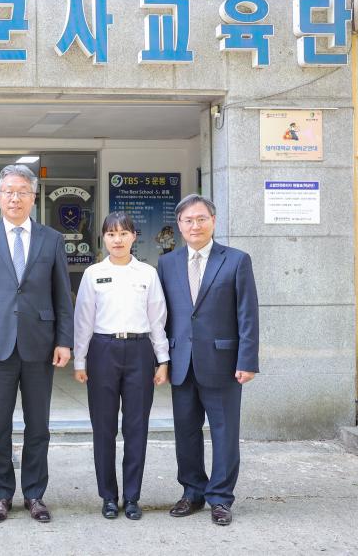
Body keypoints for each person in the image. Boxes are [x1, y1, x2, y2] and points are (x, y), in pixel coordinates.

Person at [0, 164, 74, 524]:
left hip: (40, 345)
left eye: (21, 191)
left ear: (33, 197)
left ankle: (35, 494)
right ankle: (1, 494)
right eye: (8, 191)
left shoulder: (51, 239)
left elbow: (62, 296)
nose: (14, 197)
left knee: (38, 425)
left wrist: (64, 340)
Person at [156, 194, 259, 526]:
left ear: (213, 221)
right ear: (180, 225)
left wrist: (247, 360)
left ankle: (220, 498)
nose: (195, 225)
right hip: (181, 361)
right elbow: (163, 316)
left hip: (224, 362)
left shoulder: (236, 260)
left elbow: (247, 315)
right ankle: (192, 492)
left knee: (224, 431)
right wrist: (162, 359)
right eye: (188, 220)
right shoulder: (167, 263)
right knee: (186, 432)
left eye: (201, 219)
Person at [73, 212, 170, 521]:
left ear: (133, 237)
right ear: (104, 238)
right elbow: (83, 321)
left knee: (136, 427)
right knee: (103, 428)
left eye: (123, 234)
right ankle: (108, 496)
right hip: (103, 350)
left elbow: (158, 320)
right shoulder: (92, 274)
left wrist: (163, 360)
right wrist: (79, 359)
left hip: (140, 351)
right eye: (111, 234)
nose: (117, 240)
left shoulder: (148, 274)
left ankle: (132, 497)